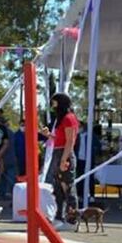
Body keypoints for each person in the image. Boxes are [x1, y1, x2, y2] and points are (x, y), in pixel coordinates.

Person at [40, 92, 78, 227]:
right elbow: (60, 139)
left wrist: (64, 159)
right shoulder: (61, 119)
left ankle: (72, 218)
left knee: (67, 186)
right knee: (58, 187)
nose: (53, 106)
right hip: (58, 152)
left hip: (64, 153)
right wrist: (49, 135)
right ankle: (59, 216)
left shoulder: (69, 118)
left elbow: (70, 141)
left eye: (54, 103)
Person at [0, 107, 17, 200]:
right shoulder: (7, 131)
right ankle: (3, 195)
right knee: (4, 179)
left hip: (6, 159)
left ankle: (13, 197)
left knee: (9, 178)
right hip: (4, 159)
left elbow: (5, 144)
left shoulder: (2, 131)